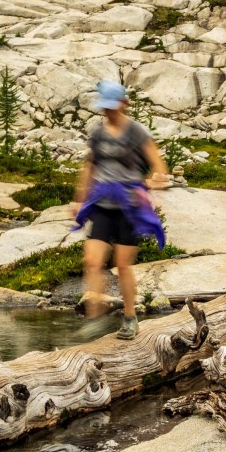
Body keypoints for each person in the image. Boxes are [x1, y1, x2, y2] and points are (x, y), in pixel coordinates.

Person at [72, 80, 170, 340]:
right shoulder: (99, 133)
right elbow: (90, 167)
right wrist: (79, 200)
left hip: (129, 208)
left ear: (124, 105)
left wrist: (151, 183)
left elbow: (159, 166)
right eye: (106, 108)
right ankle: (95, 317)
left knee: (122, 266)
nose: (109, 112)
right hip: (103, 205)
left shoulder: (137, 133)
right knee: (92, 261)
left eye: (113, 107)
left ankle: (129, 316)